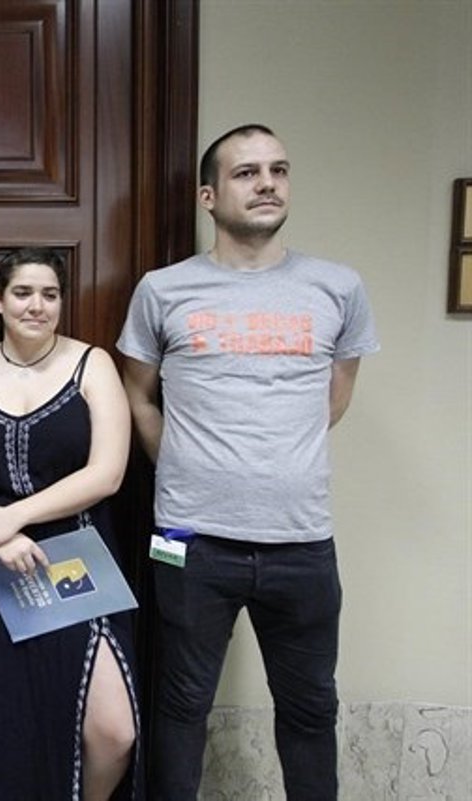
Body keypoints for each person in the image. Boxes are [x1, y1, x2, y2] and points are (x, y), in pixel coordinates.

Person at [117, 123, 379, 800]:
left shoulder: (337, 287)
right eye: (246, 172)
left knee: (311, 708)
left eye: (278, 170)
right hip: (192, 540)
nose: (267, 184)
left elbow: (334, 396)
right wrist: (183, 463)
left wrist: (275, 456)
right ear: (208, 196)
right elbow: (138, 396)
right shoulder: (163, 290)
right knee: (181, 706)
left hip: (302, 540)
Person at [0, 247, 141, 801]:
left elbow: (107, 473)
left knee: (114, 731)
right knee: (11, 726)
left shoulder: (92, 364)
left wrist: (15, 517)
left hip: (77, 556)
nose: (37, 306)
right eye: (23, 293)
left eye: (50, 294)